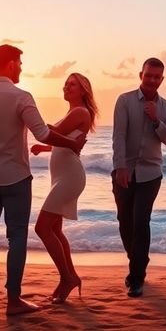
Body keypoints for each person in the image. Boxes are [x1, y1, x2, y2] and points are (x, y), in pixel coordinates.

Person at [0, 44, 85, 315]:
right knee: (17, 237)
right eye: (19, 63)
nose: (21, 68)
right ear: (8, 64)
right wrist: (70, 143)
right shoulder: (21, 96)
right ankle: (14, 301)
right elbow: (41, 133)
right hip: (15, 176)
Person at [111, 57, 166, 298]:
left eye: (156, 77)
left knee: (141, 221)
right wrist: (120, 167)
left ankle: (136, 277)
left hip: (151, 173)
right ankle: (139, 258)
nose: (151, 80)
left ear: (162, 79)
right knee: (124, 221)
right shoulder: (125, 100)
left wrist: (156, 120)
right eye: (148, 75)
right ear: (141, 75)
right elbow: (118, 136)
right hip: (125, 171)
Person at [31, 73, 97, 303]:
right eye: (66, 84)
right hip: (62, 176)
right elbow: (62, 144)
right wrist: (44, 147)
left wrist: (28, 117)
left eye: (72, 85)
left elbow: (51, 132)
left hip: (70, 177)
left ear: (83, 91)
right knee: (56, 231)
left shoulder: (80, 112)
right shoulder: (72, 113)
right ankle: (70, 277)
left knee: (42, 228)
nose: (67, 87)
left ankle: (67, 277)